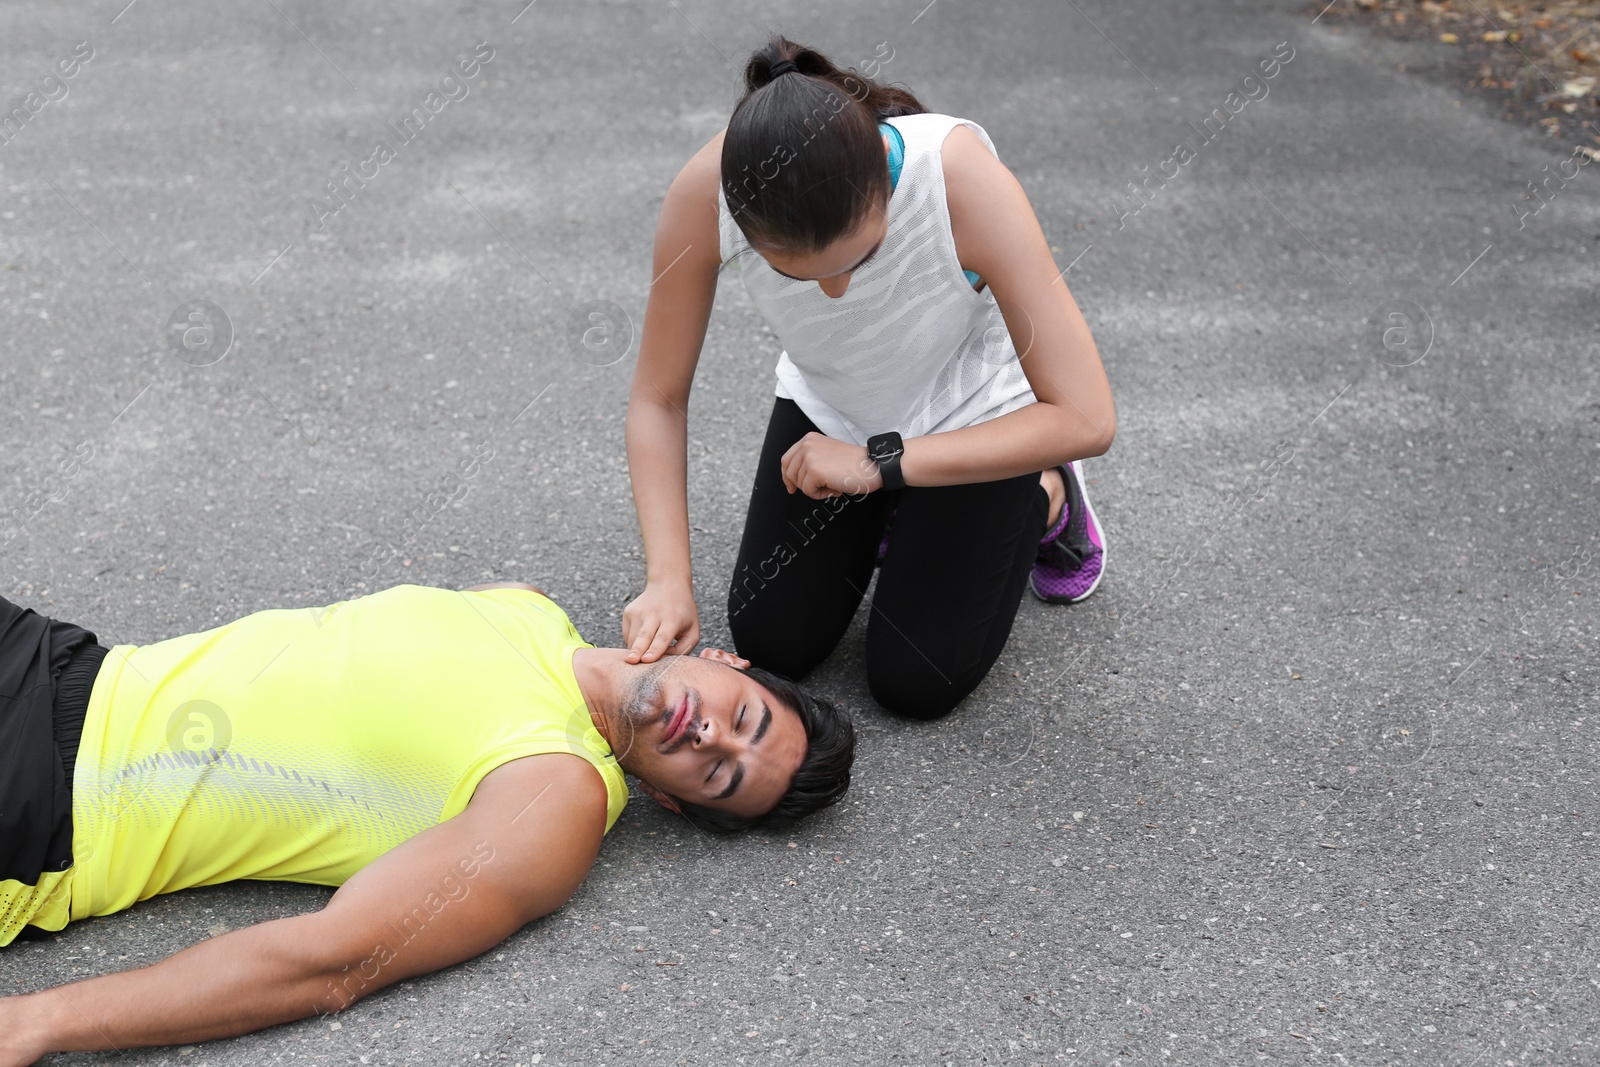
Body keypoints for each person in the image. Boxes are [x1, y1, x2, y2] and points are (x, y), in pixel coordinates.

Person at [0, 582, 853, 1062]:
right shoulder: (529, 610)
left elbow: (334, 961)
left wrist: (41, 1022)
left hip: (48, 803)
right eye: (742, 719)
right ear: (725, 664)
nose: (710, 737)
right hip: (65, 661)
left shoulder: (557, 795)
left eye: (719, 776)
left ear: (672, 799)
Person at [621, 36, 1116, 721]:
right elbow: (658, 396)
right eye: (800, 273)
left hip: (979, 415)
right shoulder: (705, 196)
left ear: (885, 185)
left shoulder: (960, 179)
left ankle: (1049, 493)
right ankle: (900, 505)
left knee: (916, 681)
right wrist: (668, 578)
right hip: (838, 407)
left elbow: (1089, 418)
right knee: (774, 641)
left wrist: (874, 463)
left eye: (864, 256)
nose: (835, 290)